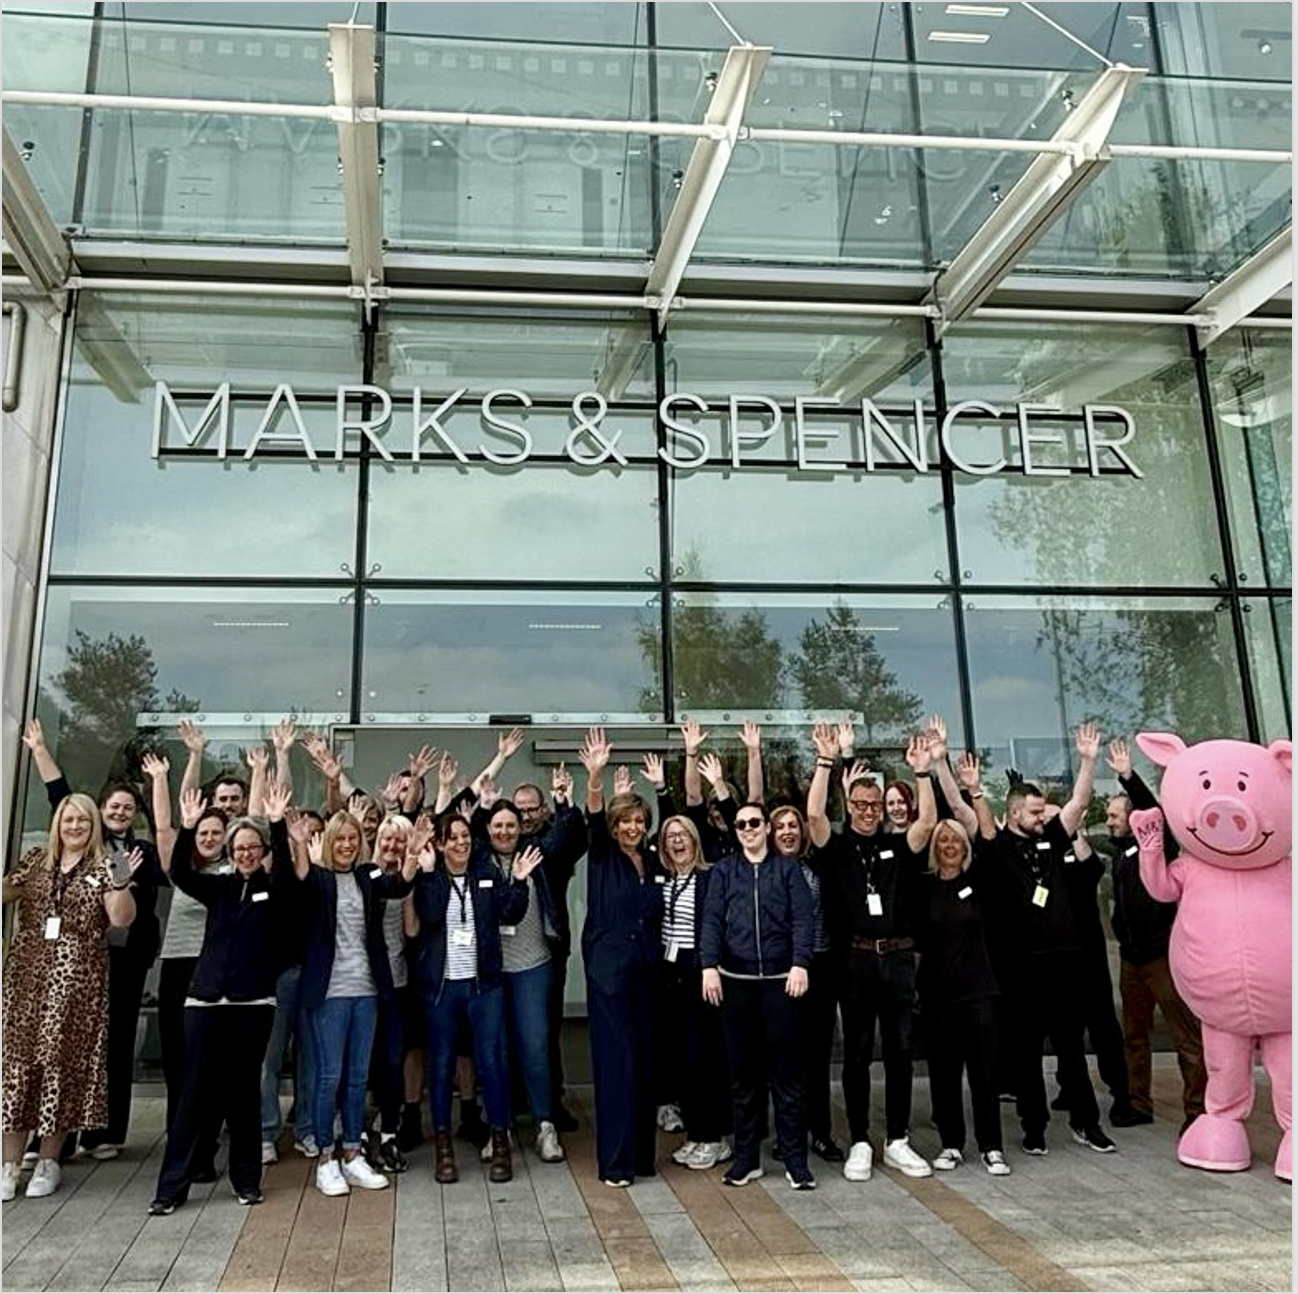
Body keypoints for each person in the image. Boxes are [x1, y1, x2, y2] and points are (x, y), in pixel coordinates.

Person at [21, 719, 165, 1161]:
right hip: (69, 958)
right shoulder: (81, 837)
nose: (120, 812)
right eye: (114, 807)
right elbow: (59, 795)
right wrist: (41, 750)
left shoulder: (140, 852)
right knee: (58, 1044)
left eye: (127, 808)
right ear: (100, 809)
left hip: (123, 959)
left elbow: (158, 877)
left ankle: (103, 1134)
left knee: (116, 1042)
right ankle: (50, 1140)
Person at [148, 787, 296, 1214]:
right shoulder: (217, 887)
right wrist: (189, 825)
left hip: (253, 1003)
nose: (247, 854)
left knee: (244, 1093)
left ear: (263, 851)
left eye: (254, 847)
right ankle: (170, 1188)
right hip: (207, 1001)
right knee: (194, 1093)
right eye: (240, 848)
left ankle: (247, 1181)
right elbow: (179, 870)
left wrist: (278, 823)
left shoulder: (274, 887)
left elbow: (286, 868)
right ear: (231, 852)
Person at [969, 723, 1115, 1156]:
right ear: (1014, 813)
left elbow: (1080, 803)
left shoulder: (1052, 840)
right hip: (1021, 969)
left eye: (1043, 812)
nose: (1042, 817)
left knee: (1072, 1050)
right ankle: (1034, 1126)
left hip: (1064, 964)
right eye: (1034, 812)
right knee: (1026, 1054)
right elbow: (977, 822)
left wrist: (1088, 760)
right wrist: (976, 790)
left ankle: (1086, 1123)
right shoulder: (998, 852)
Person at [808, 724, 938, 1183]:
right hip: (855, 961)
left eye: (874, 806)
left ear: (884, 809)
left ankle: (898, 1138)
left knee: (901, 1051)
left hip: (898, 960)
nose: (867, 812)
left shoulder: (897, 845)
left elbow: (926, 824)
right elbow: (815, 818)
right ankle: (861, 1139)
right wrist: (825, 763)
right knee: (858, 1053)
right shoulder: (838, 847)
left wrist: (923, 774)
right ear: (851, 806)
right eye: (860, 805)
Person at [2, 794, 138, 1201]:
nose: (75, 826)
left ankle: (49, 1159)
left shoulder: (104, 865)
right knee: (16, 1065)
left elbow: (120, 919)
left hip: (78, 982)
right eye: (68, 819)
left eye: (82, 820)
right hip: (26, 978)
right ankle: (9, 1163)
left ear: (93, 825)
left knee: (61, 1065)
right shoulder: (34, 861)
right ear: (57, 823)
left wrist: (121, 880)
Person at [286, 807, 417, 1197]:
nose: (346, 845)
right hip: (329, 992)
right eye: (339, 839)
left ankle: (352, 1153)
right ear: (328, 842)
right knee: (330, 1076)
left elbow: (399, 885)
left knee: (358, 1075)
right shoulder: (319, 878)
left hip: (367, 988)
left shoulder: (367, 875)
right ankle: (325, 1159)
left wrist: (414, 852)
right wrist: (294, 842)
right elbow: (298, 881)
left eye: (352, 839)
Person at [410, 814, 537, 1185]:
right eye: (453, 838)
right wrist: (431, 873)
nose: (461, 844)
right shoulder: (430, 876)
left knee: (492, 1061)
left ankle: (500, 1143)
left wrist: (519, 879)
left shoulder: (486, 873)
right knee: (441, 1064)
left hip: (484, 986)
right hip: (442, 987)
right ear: (441, 844)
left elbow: (510, 910)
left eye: (466, 836)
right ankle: (444, 1149)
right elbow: (430, 914)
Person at [701, 800, 816, 1189]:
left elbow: (803, 919)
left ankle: (795, 1161)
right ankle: (747, 1158)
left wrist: (801, 963)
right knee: (743, 1077)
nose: (748, 829)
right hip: (736, 982)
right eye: (741, 824)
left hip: (783, 982)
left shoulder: (787, 871)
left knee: (787, 1076)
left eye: (754, 822)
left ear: (766, 827)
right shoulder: (723, 872)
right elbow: (712, 919)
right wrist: (708, 966)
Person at [1104, 739, 1206, 1133]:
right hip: (1131, 959)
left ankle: (1198, 1111)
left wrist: (1128, 777)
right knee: (1133, 1034)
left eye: (1114, 815)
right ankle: (1137, 1102)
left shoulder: (1157, 847)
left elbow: (1153, 812)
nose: (1109, 821)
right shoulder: (1118, 854)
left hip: (1162, 956)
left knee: (1184, 1036)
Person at [577, 727, 664, 1187]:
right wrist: (596, 777)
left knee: (645, 1062)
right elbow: (592, 816)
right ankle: (615, 1162)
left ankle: (642, 1158)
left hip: (647, 974)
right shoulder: (602, 855)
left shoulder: (650, 861)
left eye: (638, 821)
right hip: (610, 976)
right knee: (617, 1064)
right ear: (613, 827)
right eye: (624, 821)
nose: (632, 828)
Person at [912, 780, 1011, 1177]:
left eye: (955, 840)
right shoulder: (924, 888)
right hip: (938, 994)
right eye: (942, 841)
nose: (949, 845)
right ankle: (951, 1143)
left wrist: (974, 793)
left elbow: (989, 838)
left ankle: (991, 1146)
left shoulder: (980, 881)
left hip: (980, 991)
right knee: (944, 1073)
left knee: (985, 1071)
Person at [143, 753, 227, 1180]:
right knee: (179, 1065)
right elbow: (162, 828)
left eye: (218, 832)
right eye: (204, 831)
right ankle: (179, 1146)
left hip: (214, 971)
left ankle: (204, 1152)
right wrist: (162, 777)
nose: (210, 837)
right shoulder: (181, 868)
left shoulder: (233, 871)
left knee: (209, 1065)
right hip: (178, 969)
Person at [474, 796, 567, 1164]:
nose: (504, 831)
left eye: (511, 825)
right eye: (497, 825)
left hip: (533, 965)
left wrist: (564, 800)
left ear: (521, 827)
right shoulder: (480, 861)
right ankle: (501, 1127)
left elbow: (566, 833)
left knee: (534, 1046)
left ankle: (546, 1125)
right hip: (494, 968)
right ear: (488, 829)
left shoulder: (537, 855)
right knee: (494, 1049)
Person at [511, 767, 588, 1134]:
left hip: (548, 951)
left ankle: (551, 1104)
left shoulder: (553, 844)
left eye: (531, 809)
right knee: (510, 1031)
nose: (525, 816)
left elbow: (577, 839)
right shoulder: (504, 843)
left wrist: (564, 801)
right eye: (519, 810)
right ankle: (515, 1102)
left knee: (547, 1029)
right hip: (507, 955)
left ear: (543, 810)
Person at [654, 807, 731, 1171]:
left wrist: (709, 965)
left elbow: (716, 925)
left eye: (683, 834)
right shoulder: (663, 878)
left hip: (702, 972)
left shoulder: (710, 876)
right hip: (671, 975)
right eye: (670, 837)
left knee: (704, 1058)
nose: (677, 841)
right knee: (680, 1057)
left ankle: (713, 1137)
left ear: (695, 840)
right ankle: (696, 1135)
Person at [769, 799, 842, 1163]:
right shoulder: (764, 871)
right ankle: (789, 1134)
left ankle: (821, 1133)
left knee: (817, 1057)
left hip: (820, 970)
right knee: (786, 1060)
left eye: (793, 826)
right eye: (780, 826)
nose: (787, 832)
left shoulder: (817, 867)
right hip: (781, 974)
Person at [368, 813, 422, 1174]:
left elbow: (412, 930)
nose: (392, 846)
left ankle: (389, 1132)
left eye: (399, 840)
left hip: (397, 981)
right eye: (387, 839)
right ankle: (355, 1136)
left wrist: (408, 886)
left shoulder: (407, 880)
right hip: (361, 982)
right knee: (360, 1064)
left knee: (391, 1061)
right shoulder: (363, 874)